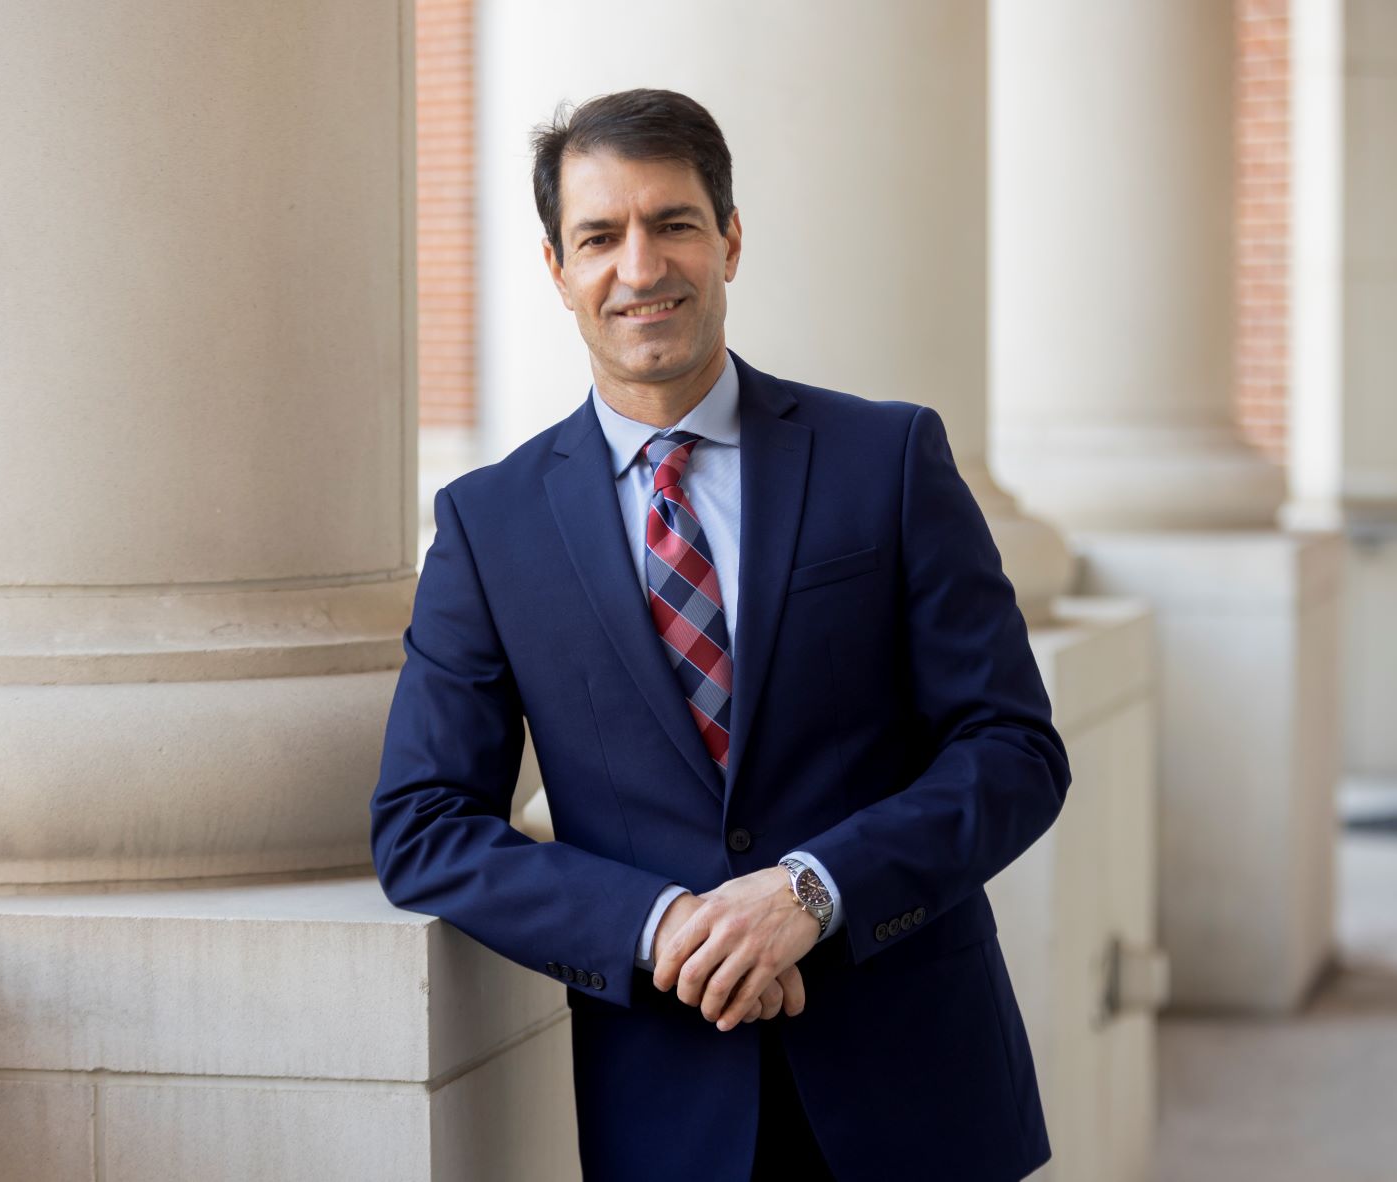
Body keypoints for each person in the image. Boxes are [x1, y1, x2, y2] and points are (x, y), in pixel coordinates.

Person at [370, 87, 1070, 1182]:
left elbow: (1014, 749)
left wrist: (810, 892)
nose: (640, 267)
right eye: (599, 236)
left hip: (919, 1088)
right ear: (556, 268)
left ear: (730, 240)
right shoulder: (486, 527)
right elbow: (423, 823)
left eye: (674, 224)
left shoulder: (886, 460)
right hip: (668, 1108)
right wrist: (657, 926)